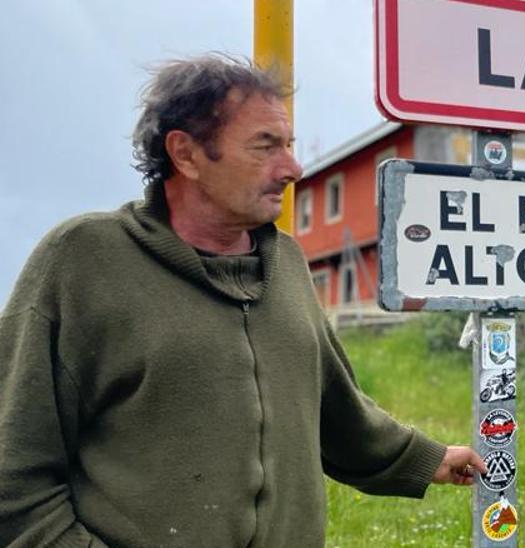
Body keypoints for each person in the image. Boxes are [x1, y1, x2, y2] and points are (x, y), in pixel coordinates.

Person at [0, 54, 485, 546]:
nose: (293, 168)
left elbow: (337, 413)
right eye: (265, 146)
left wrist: (427, 459)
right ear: (186, 154)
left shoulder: (288, 262)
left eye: (289, 145)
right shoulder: (85, 259)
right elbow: (14, 474)